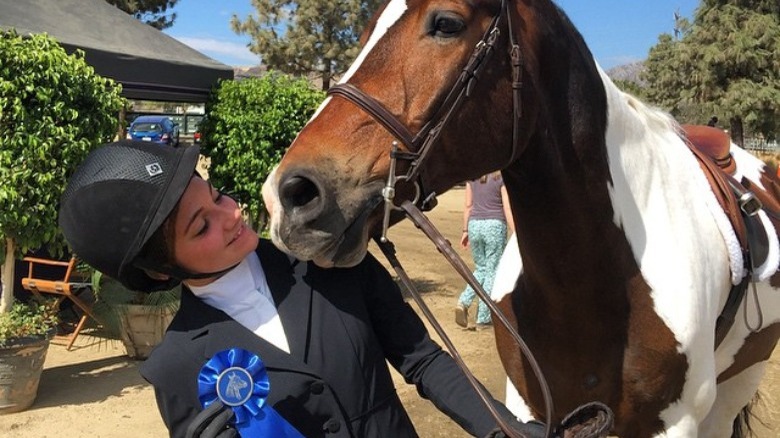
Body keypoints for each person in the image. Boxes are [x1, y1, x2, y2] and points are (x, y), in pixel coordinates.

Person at [57, 140, 547, 438]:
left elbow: (423, 360)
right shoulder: (175, 369)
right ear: (162, 271)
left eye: (218, 195)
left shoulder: (329, 261)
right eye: (201, 226)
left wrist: (501, 427)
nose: (232, 215)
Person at [455, 172, 514, 330]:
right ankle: (483, 317)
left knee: (480, 268)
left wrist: (465, 230)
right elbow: (507, 207)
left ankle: (464, 301)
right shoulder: (500, 178)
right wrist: (516, 231)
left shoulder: (472, 178)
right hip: (494, 225)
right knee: (492, 271)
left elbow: (468, 206)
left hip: (475, 224)